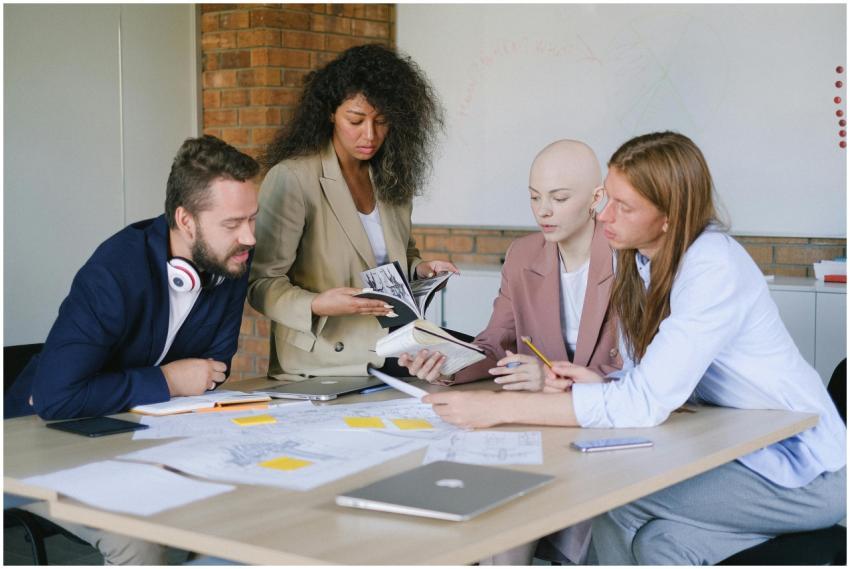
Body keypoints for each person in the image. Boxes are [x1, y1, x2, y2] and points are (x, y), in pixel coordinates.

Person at [425, 131, 846, 565]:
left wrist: (498, 410)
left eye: (622, 207)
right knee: (658, 545)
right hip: (737, 448)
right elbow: (650, 378)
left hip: (802, 471)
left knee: (613, 499)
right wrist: (600, 381)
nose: (603, 215)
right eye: (608, 199)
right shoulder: (639, 261)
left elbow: (644, 402)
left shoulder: (713, 266)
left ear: (668, 217)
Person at [4, 134, 259, 564]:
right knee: (138, 539)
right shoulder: (115, 272)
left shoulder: (231, 260)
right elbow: (56, 397)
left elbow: (213, 371)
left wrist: (178, 383)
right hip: (40, 441)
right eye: (233, 224)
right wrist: (168, 380)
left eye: (252, 218)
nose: (249, 237)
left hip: (140, 435)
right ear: (186, 220)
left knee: (252, 500)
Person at [400, 139, 621, 564]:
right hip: (532, 427)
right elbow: (492, 345)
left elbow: (639, 372)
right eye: (535, 197)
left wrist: (550, 379)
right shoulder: (523, 255)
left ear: (597, 198)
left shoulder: (628, 257)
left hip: (602, 428)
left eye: (559, 198)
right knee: (478, 506)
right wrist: (445, 363)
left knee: (516, 516)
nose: (544, 211)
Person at [248, 43, 457, 380]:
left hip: (395, 349)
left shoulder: (391, 176)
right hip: (325, 362)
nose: (370, 135)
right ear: (331, 112)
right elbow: (260, 284)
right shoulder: (294, 178)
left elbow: (399, 254)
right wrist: (317, 305)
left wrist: (421, 270)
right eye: (356, 120)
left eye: (382, 121)